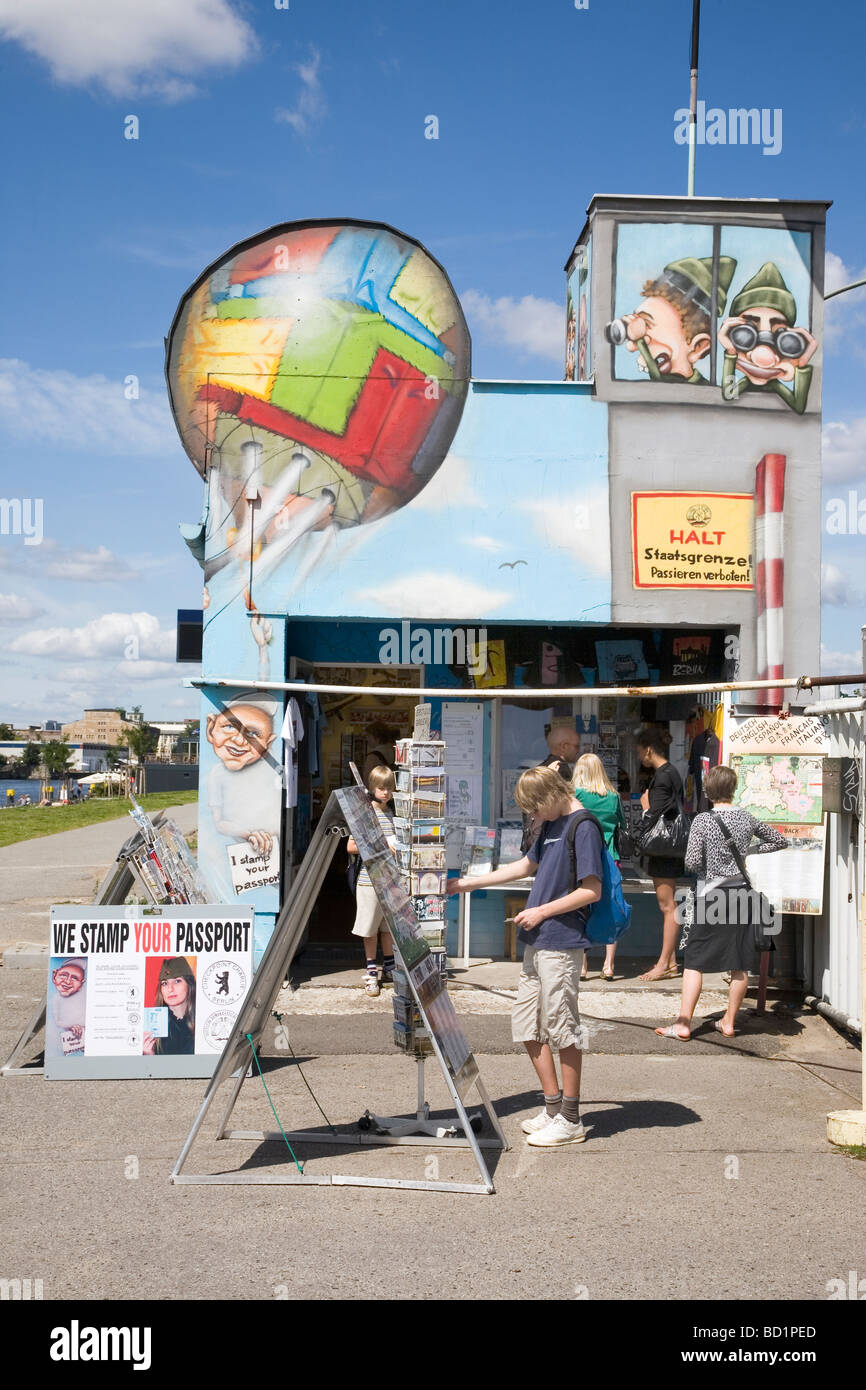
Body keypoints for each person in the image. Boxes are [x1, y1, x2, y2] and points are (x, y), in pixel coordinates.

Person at [448, 764, 602, 1148]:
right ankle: (552, 1107)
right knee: (528, 1026)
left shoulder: (582, 826)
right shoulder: (550, 825)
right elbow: (524, 866)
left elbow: (591, 890)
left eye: (535, 808)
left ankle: (571, 1117)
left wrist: (541, 911)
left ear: (552, 796)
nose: (533, 816)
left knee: (563, 1027)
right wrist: (467, 883)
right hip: (538, 939)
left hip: (562, 940)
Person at [655, 765, 788, 1040]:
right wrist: (747, 850)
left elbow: (691, 862)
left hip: (710, 897)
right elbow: (778, 840)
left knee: (694, 962)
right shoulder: (746, 818)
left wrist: (709, 865)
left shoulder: (703, 821)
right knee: (739, 964)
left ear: (708, 791)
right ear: (734, 788)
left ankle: (682, 1025)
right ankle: (728, 1022)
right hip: (741, 895)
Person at [635, 724, 686, 982]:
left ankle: (664, 963)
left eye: (639, 751)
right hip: (669, 848)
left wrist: (645, 808)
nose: (638, 757)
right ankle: (672, 962)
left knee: (667, 906)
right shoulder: (670, 773)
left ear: (648, 750)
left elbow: (656, 815)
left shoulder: (664, 776)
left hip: (664, 850)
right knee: (667, 905)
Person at [572, 753, 625, 981]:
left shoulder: (577, 795)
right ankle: (608, 965)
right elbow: (622, 823)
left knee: (582, 909)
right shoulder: (613, 797)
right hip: (610, 857)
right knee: (609, 909)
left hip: (583, 857)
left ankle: (583, 966)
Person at [346, 765, 398, 998]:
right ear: (371, 787)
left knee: (387, 928)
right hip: (369, 880)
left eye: (389, 788)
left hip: (390, 879)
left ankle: (389, 967)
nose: (385, 793)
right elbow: (351, 846)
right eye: (381, 788)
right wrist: (382, 845)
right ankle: (371, 971)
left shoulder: (392, 814)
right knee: (370, 929)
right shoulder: (365, 814)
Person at [520, 720, 581, 851]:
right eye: (576, 746)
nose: (578, 750)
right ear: (564, 746)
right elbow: (564, 807)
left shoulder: (541, 768)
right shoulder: (560, 769)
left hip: (535, 838)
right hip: (551, 840)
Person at [143, 957, 196, 1055]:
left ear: (189, 985)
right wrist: (149, 1056)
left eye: (177, 981)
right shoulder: (150, 1025)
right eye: (165, 983)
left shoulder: (201, 1021)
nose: (170, 989)